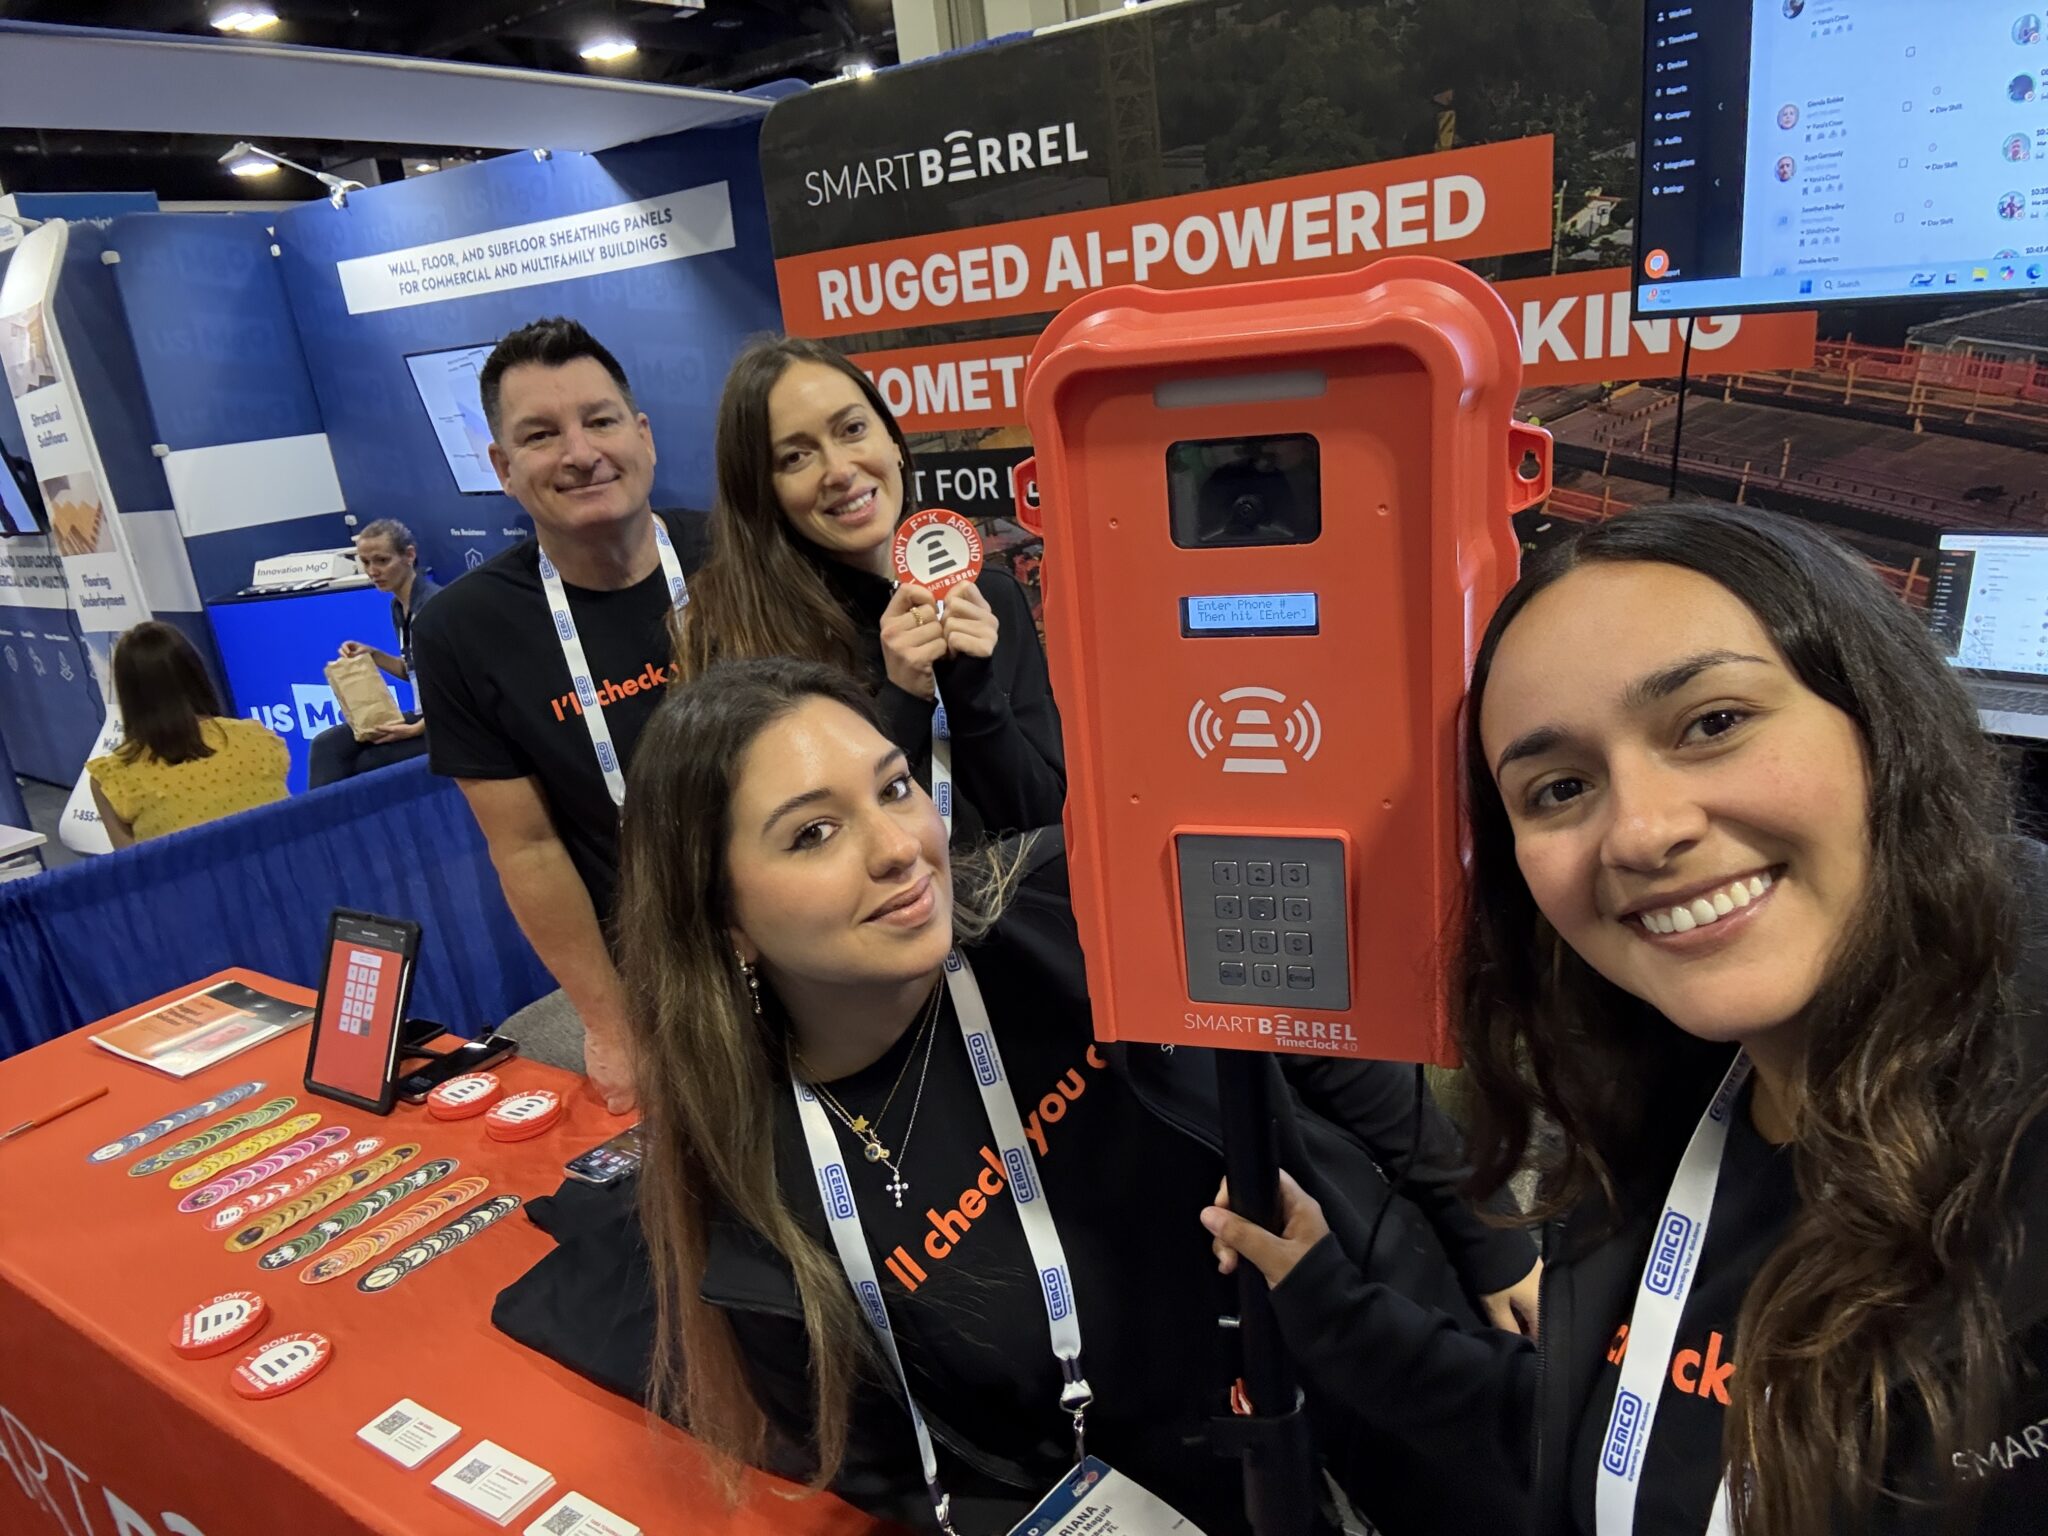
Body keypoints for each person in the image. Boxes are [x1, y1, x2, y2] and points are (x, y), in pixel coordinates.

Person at [504, 656, 1534, 1535]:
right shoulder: (753, 1194)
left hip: (1361, 1319)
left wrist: (1480, 1229)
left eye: (894, 787)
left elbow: (1312, 1039)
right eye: (812, 834)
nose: (898, 848)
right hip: (1162, 1487)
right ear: (724, 920)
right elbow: (906, 1465)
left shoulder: (1065, 901)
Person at [1202, 504, 2048, 1535]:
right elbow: (1624, 1443)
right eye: (1559, 787)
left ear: (1880, 720)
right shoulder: (1666, 1105)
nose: (1641, 833)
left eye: (1712, 723)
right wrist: (1329, 1303)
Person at [412, 317, 710, 1112]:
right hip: (663, 975)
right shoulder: (461, 632)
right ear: (503, 468)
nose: (580, 453)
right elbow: (528, 848)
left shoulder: (741, 553)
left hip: (816, 924)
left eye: (600, 420)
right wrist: (610, 1026)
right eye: (541, 435)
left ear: (643, 436)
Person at [673, 335, 1064, 845]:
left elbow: (1046, 822)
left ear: (894, 443)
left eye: (853, 429)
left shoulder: (987, 597)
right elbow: (800, 846)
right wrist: (902, 702)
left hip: (1009, 896)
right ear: (764, 492)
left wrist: (972, 693)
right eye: (796, 457)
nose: (839, 471)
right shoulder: (739, 634)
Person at [88, 621, 288, 846]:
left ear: (127, 694)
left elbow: (135, 864)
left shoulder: (114, 778)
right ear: (196, 672)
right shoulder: (260, 739)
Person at [307, 518, 439, 788]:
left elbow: (459, 684)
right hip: (424, 717)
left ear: (409, 555)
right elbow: (415, 671)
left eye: (381, 561)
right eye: (365, 562)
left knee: (363, 764)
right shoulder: (398, 607)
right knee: (326, 745)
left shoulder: (433, 606)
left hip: (447, 724)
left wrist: (415, 729)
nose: (372, 571)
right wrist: (373, 655)